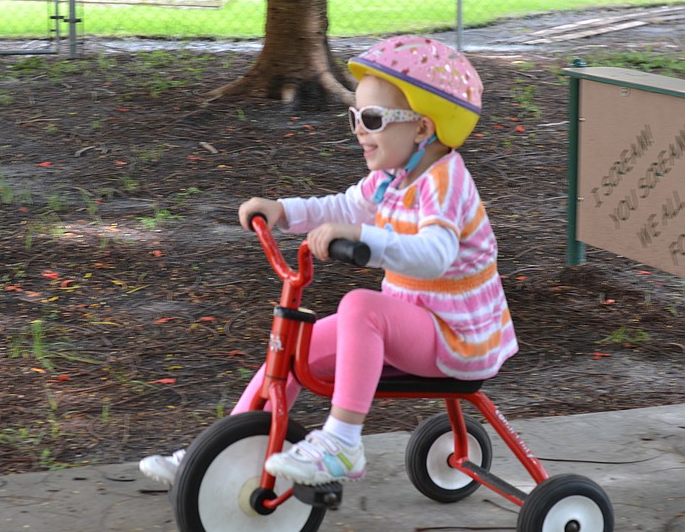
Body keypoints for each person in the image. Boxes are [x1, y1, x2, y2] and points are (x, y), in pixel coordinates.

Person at [140, 35, 517, 487]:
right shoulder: (391, 178)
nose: (359, 129)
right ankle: (218, 451)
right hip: (416, 323)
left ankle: (343, 443)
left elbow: (434, 257)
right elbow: (341, 207)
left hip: (457, 338)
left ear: (422, 128)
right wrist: (284, 211)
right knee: (293, 350)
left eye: (373, 119)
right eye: (354, 116)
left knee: (361, 307)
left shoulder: (444, 182)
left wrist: (364, 237)